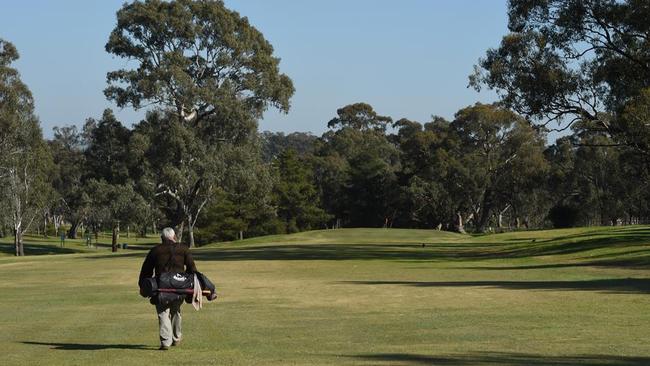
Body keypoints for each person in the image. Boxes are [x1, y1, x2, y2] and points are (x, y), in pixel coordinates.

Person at [139, 227, 197, 350]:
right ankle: (176, 338)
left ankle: (166, 342)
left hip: (161, 287)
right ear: (174, 237)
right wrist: (191, 283)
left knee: (163, 312)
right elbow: (192, 268)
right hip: (179, 286)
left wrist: (142, 286)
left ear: (162, 238)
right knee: (176, 310)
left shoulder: (155, 250)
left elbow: (146, 270)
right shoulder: (183, 249)